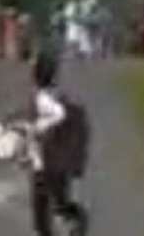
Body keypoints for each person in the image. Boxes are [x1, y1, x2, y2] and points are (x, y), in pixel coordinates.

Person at [23, 49, 90, 236]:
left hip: (48, 164)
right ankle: (74, 219)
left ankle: (76, 220)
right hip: (49, 164)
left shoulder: (44, 100)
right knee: (51, 208)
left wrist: (37, 128)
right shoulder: (49, 97)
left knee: (45, 211)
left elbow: (57, 117)